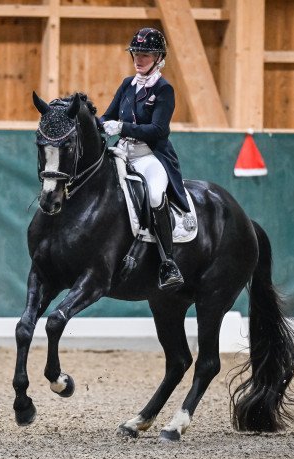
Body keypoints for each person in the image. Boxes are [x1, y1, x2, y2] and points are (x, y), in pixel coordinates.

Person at [101, 27, 188, 290]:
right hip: (123, 152)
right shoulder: (128, 84)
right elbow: (107, 116)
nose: (139, 59)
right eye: (136, 54)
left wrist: (122, 127)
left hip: (150, 156)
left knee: (153, 195)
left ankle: (168, 262)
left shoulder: (164, 89)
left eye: (145, 55)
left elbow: (159, 130)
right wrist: (89, 123)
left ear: (159, 57)